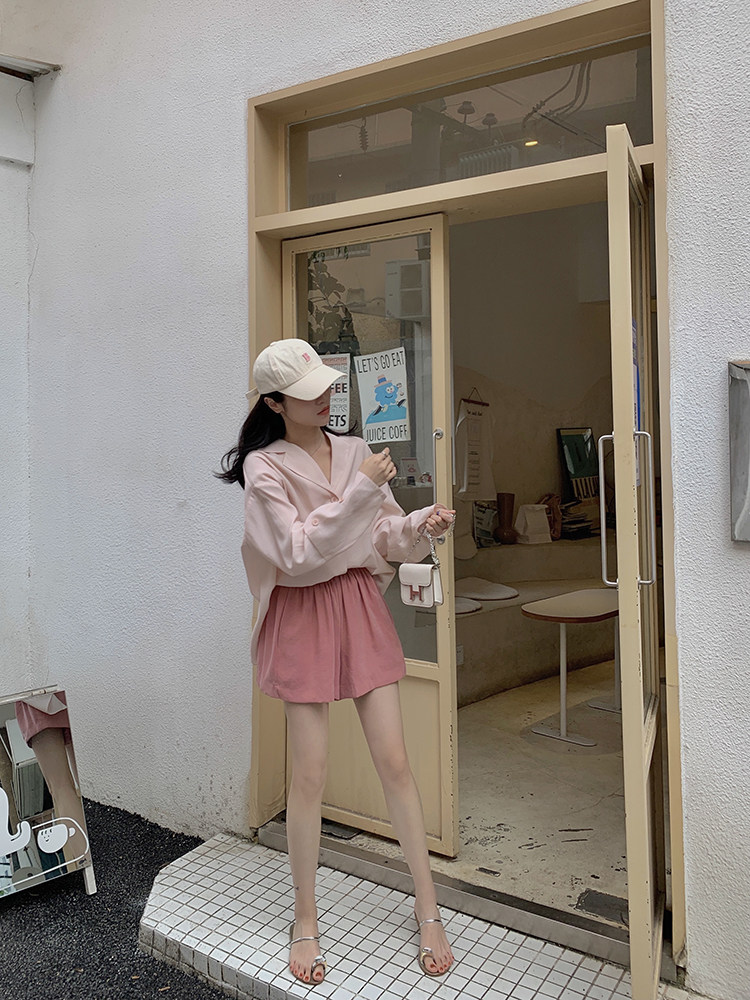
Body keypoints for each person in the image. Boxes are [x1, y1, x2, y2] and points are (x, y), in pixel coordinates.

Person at [218, 339, 456, 986]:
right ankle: (305, 919)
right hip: (301, 613)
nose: (325, 397)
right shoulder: (264, 468)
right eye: (307, 392)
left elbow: (379, 533)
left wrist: (420, 526)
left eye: (326, 384)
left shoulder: (353, 451)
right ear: (275, 403)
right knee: (310, 776)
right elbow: (296, 553)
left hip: (355, 603)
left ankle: (428, 909)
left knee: (396, 762)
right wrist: (360, 492)